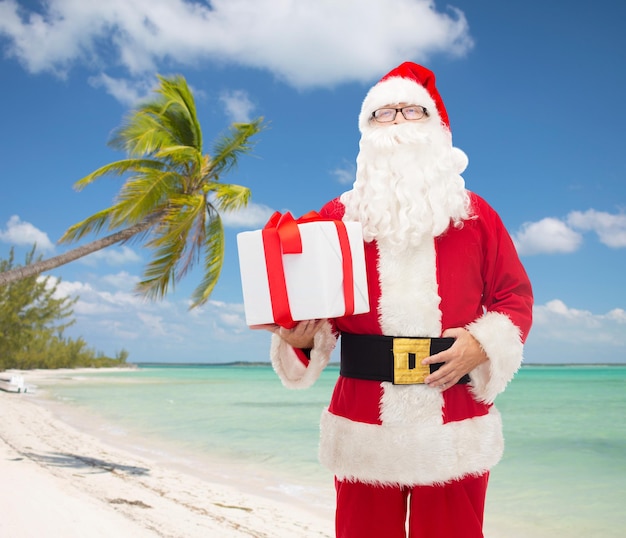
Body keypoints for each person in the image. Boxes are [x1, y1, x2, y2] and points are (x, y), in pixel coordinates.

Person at [264, 62, 533, 538]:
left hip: (455, 415)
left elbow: (514, 298)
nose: (398, 124)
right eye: (384, 114)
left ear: (436, 126)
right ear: (366, 132)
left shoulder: (476, 216)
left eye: (411, 110)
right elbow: (313, 314)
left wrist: (482, 344)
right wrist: (298, 337)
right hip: (364, 418)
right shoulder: (335, 218)